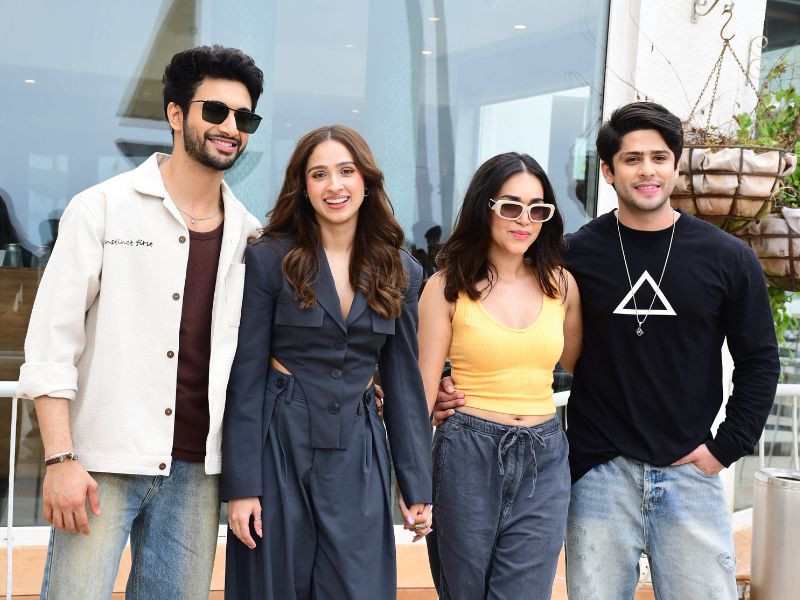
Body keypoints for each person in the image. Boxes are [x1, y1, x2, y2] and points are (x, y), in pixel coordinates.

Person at [434, 102, 780, 599]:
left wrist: (725, 448)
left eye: (659, 158)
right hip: (598, 473)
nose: (647, 170)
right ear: (607, 171)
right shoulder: (569, 257)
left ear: (676, 165)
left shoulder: (727, 257)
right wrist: (448, 384)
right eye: (632, 159)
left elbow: (759, 361)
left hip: (691, 470)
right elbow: (502, 317)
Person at [18, 45, 264, 600]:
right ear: (175, 113)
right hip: (99, 464)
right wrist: (60, 458)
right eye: (215, 111)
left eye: (244, 118)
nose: (231, 128)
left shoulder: (249, 236)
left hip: (197, 474)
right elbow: (52, 344)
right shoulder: (102, 208)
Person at [221, 124, 433, 599]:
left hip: (359, 451)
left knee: (357, 587)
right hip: (279, 443)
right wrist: (242, 486)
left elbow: (402, 384)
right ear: (303, 186)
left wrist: (416, 485)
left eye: (346, 171)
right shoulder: (268, 260)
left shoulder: (401, 270)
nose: (334, 185)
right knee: (272, 586)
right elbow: (246, 377)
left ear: (366, 181)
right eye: (319, 174)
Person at [418, 152, 581, 599]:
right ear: (484, 208)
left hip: (545, 458)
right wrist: (412, 485)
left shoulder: (562, 285)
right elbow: (421, 392)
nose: (524, 220)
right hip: (467, 454)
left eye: (537, 209)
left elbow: (586, 370)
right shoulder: (446, 286)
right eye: (510, 206)